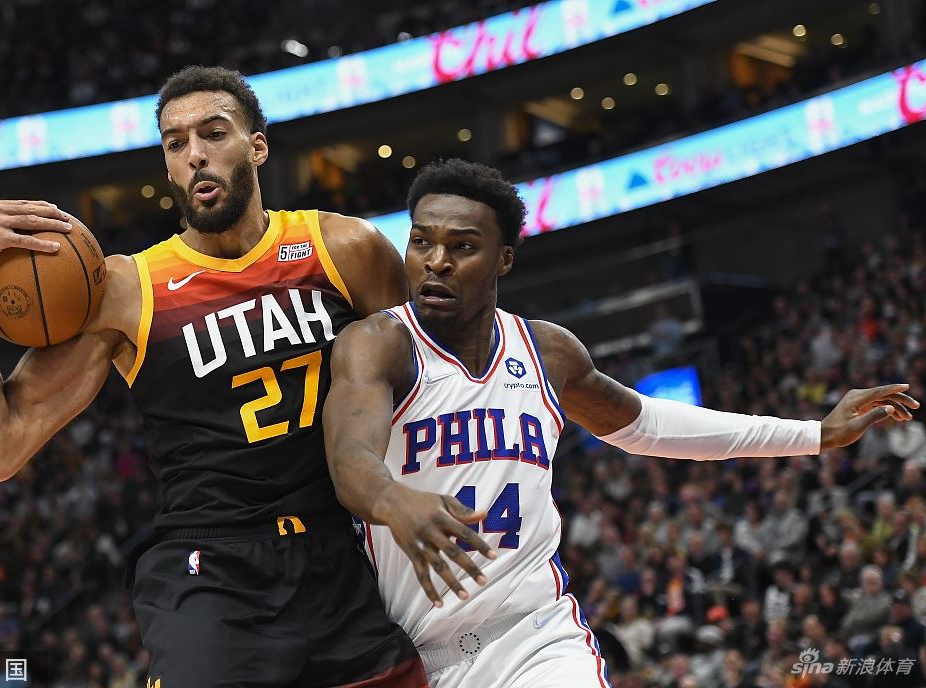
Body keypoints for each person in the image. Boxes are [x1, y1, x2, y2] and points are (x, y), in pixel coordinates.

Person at [321, 159, 919, 687]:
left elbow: (651, 424)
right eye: (421, 242)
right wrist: (394, 500)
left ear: (504, 258)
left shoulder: (547, 353)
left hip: (536, 636)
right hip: (419, 659)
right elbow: (351, 461)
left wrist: (815, 433)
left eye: (462, 247)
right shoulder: (379, 344)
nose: (437, 262)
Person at [0, 65, 427, 687]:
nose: (195, 154)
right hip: (212, 571)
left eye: (214, 134)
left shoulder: (344, 249)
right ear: (168, 166)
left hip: (341, 559)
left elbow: (428, 394)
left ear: (257, 146)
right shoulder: (129, 289)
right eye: (176, 143)